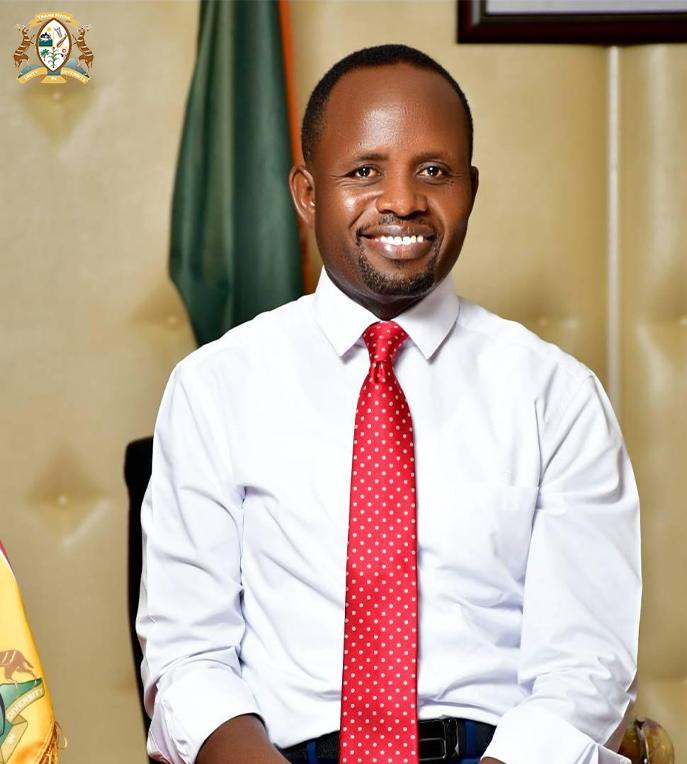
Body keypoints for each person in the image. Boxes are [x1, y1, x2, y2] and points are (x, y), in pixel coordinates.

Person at [137, 44, 640, 764]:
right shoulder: (214, 387)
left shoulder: (555, 396)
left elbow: (585, 670)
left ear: (471, 189)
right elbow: (188, 658)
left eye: (434, 171)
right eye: (364, 172)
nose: (403, 200)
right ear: (307, 193)